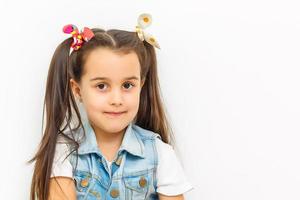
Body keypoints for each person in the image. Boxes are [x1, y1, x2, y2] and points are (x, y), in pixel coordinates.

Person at [27, 13, 194, 200]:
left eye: (127, 85)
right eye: (101, 86)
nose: (117, 99)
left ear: (141, 85)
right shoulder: (63, 151)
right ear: (78, 89)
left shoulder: (160, 154)